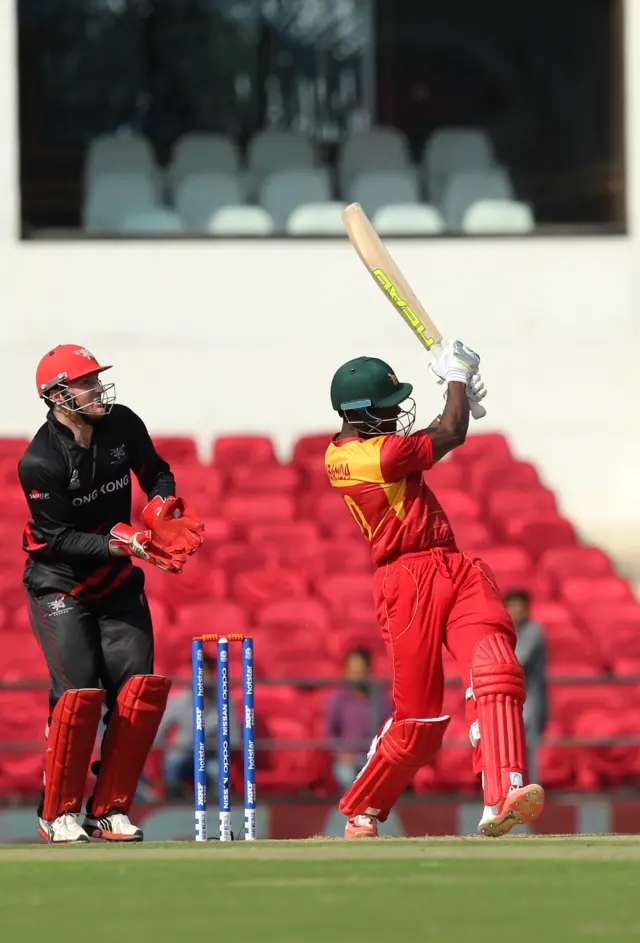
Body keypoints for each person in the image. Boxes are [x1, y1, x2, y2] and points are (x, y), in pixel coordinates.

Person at [325, 343, 545, 839]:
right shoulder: (365, 458)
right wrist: (456, 383)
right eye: (389, 406)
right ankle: (363, 806)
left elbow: (443, 430)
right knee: (418, 724)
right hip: (406, 581)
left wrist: (459, 391)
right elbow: (448, 434)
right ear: (361, 414)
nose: (398, 412)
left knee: (496, 667)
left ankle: (502, 795)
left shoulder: (370, 445)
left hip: (453, 564)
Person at [18, 344, 204, 843]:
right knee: (78, 695)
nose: (98, 390)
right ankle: (56, 812)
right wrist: (130, 542)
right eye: (86, 383)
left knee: (137, 692)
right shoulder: (40, 460)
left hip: (118, 580)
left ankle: (109, 810)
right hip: (61, 584)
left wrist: (161, 506)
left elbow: (155, 470)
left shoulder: (122, 424)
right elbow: (59, 540)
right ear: (57, 395)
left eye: (97, 380)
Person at [154, 655, 242, 799]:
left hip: (212, 755)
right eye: (195, 672)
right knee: (172, 763)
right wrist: (169, 746)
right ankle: (173, 806)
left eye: (204, 673)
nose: (200, 678)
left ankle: (215, 811)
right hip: (183, 753)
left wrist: (217, 745)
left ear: (212, 675)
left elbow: (235, 739)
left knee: (218, 771)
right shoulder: (177, 702)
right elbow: (157, 736)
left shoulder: (226, 703)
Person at [325, 647, 393, 791]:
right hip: (347, 760)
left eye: (360, 672)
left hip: (374, 759)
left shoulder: (381, 700)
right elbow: (330, 734)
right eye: (352, 672)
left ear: (368, 670)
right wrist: (341, 754)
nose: (356, 677)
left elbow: (390, 731)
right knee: (346, 775)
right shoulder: (337, 701)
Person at [505, 590, 548, 784]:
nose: (516, 610)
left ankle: (532, 794)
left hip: (529, 702)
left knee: (528, 752)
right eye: (512, 606)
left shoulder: (533, 631)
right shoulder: (504, 631)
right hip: (508, 703)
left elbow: (517, 661)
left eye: (519, 606)